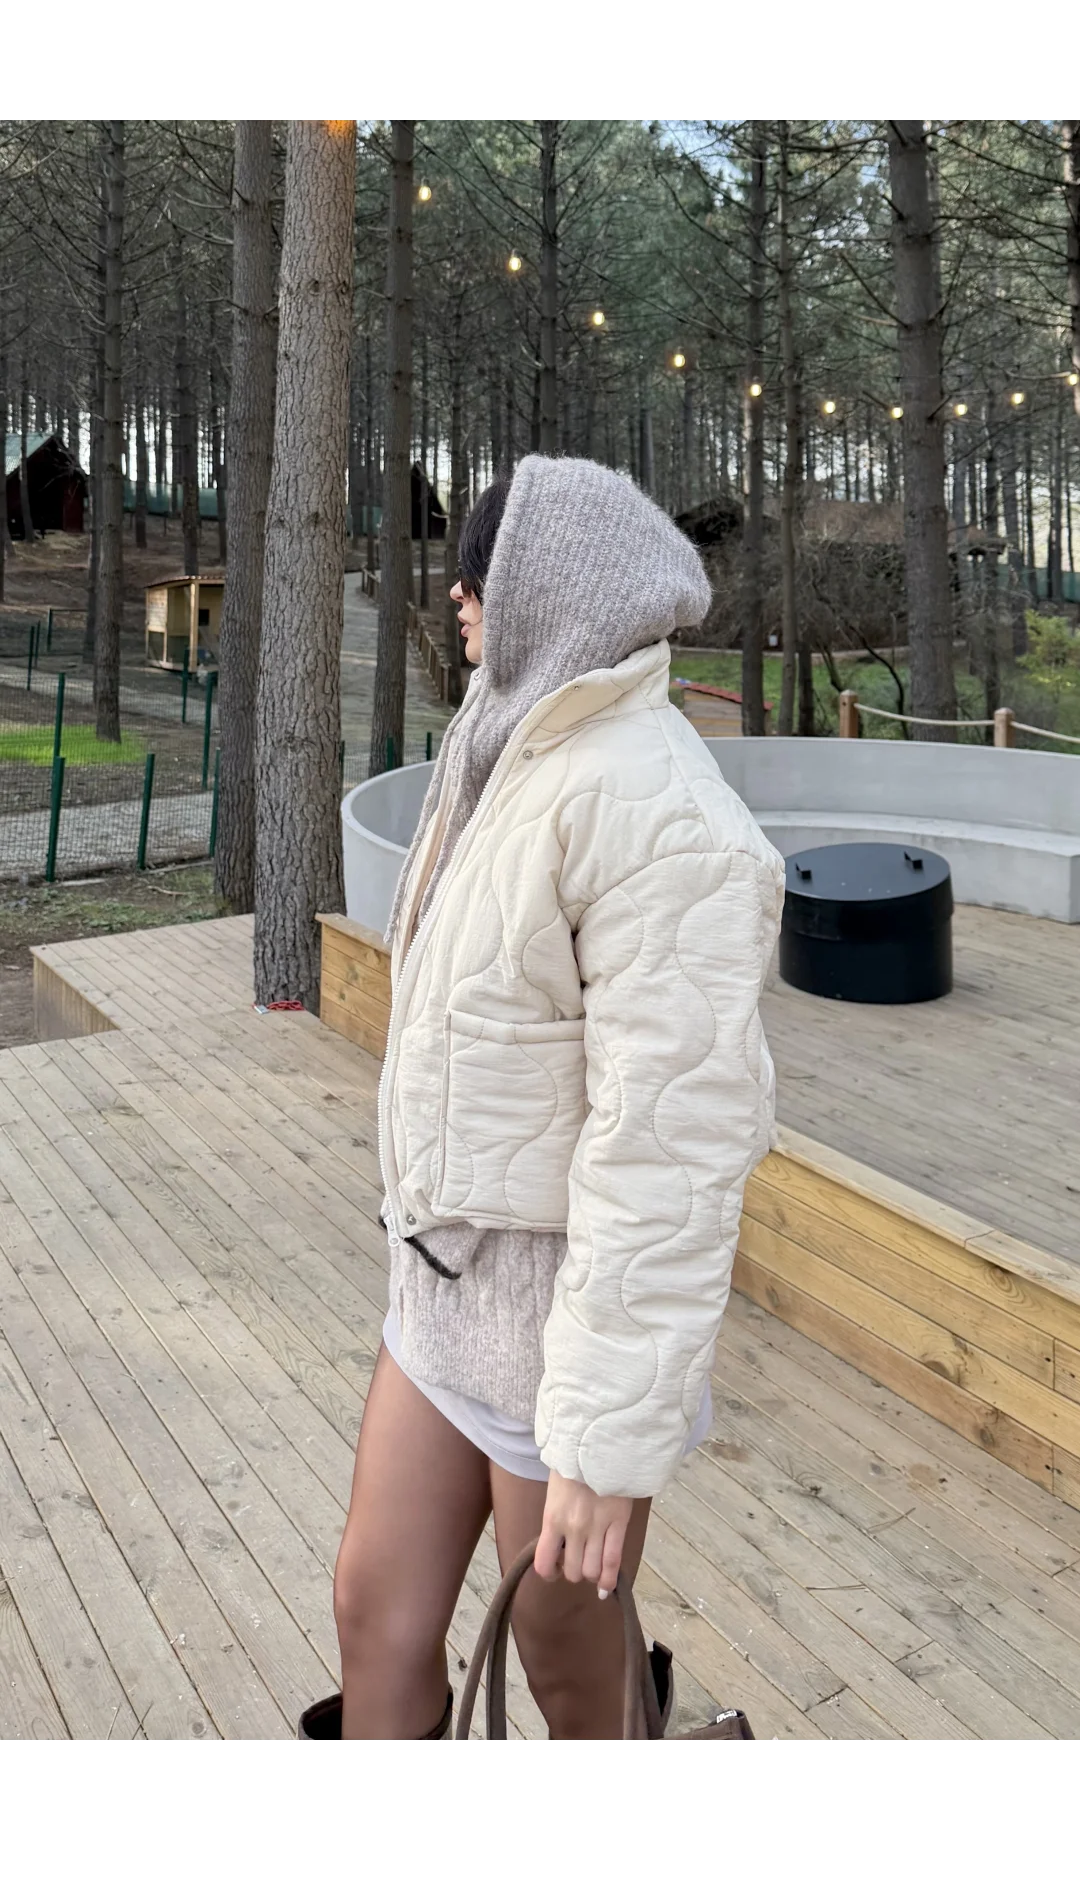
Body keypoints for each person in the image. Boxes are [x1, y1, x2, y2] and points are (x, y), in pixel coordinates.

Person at [299, 455, 785, 1745]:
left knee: (564, 1661)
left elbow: (669, 1157)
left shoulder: (669, 819)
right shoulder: (501, 739)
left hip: (566, 1329)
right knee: (373, 1609)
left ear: (548, 593)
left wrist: (605, 1445)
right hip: (447, 1286)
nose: (457, 597)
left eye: (480, 575)